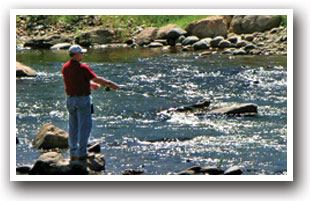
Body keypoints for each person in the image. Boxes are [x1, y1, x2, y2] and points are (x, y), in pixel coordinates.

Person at [62, 44, 120, 162]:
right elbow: (96, 79)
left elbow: (74, 81)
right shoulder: (83, 67)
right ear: (77, 54)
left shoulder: (65, 67)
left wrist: (90, 85)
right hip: (82, 100)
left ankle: (73, 153)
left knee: (73, 127)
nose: (83, 55)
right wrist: (110, 84)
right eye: (81, 53)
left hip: (70, 100)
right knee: (84, 127)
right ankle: (82, 153)